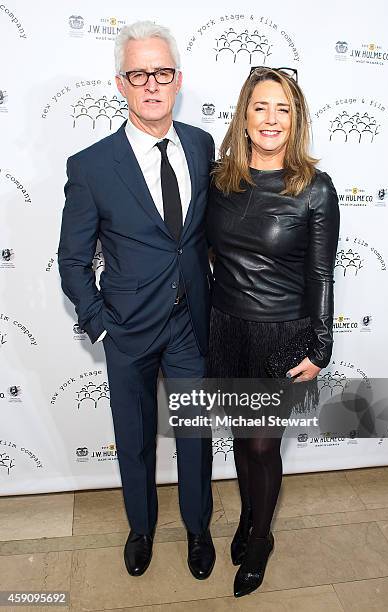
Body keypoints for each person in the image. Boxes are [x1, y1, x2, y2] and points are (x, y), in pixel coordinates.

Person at [58, 21, 216, 580]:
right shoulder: (92, 165)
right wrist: (101, 324)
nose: (152, 85)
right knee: (134, 438)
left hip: (192, 325)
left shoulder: (201, 144)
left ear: (179, 81)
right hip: (127, 328)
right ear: (121, 84)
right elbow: (73, 260)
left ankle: (199, 531)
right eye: (139, 74)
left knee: (197, 435)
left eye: (162, 73)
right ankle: (141, 528)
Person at [206, 66, 340, 597]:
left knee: (263, 446)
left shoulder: (315, 188)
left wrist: (321, 346)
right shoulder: (220, 179)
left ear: (296, 120)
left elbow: (321, 274)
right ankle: (246, 520)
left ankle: (261, 539)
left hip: (281, 335)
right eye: (261, 106)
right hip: (226, 328)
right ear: (244, 115)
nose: (271, 119)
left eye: (283, 109)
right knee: (242, 438)